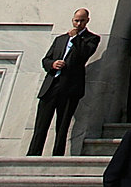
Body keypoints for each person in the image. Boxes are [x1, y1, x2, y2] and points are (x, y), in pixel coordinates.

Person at [30, 8, 98, 157]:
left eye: (81, 20)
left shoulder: (91, 39)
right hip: (52, 85)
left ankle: (57, 155)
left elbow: (84, 55)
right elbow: (46, 59)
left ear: (87, 21)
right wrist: (53, 64)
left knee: (62, 126)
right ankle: (33, 153)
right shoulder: (60, 39)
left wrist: (76, 39)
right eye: (76, 20)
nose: (78, 23)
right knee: (41, 125)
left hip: (70, 88)